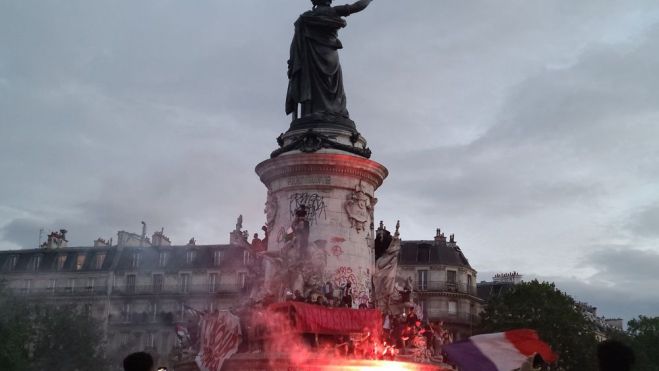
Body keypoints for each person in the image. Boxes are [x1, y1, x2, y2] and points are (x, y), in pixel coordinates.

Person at [286, 0, 373, 122]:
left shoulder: (306, 18)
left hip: (310, 58)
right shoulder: (334, 12)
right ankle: (334, 111)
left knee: (311, 84)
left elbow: (295, 44)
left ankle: (311, 113)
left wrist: (292, 62)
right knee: (331, 85)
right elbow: (358, 6)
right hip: (330, 55)